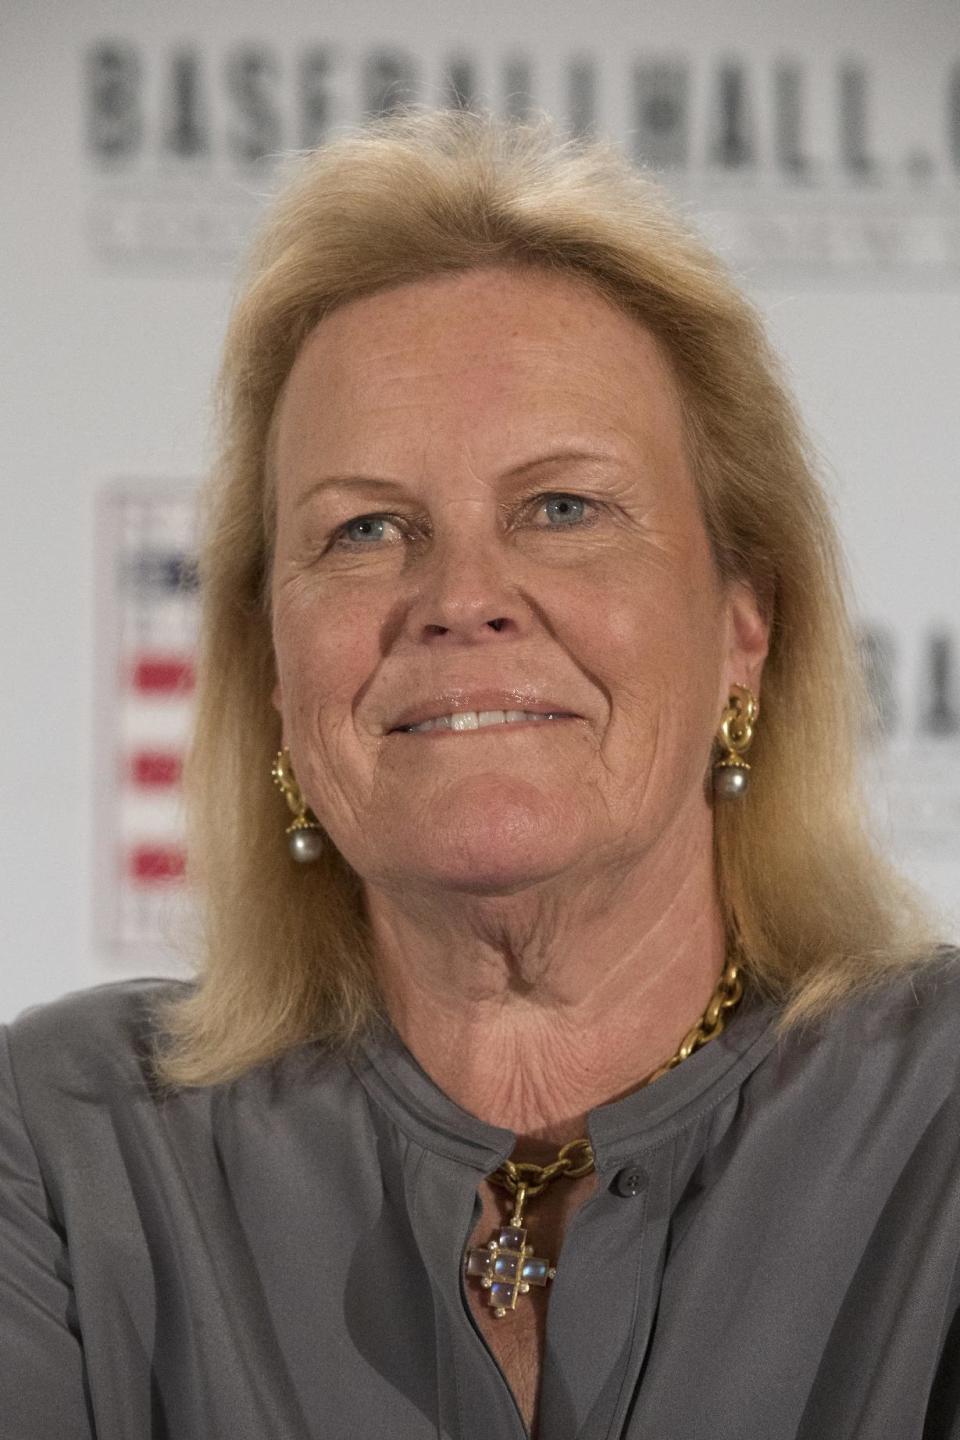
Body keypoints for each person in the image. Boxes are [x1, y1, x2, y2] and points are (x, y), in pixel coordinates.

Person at [1, 108, 957, 1440]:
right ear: (274, 673)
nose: (461, 599)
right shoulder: (61, 1146)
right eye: (366, 528)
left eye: (562, 507)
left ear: (748, 626)